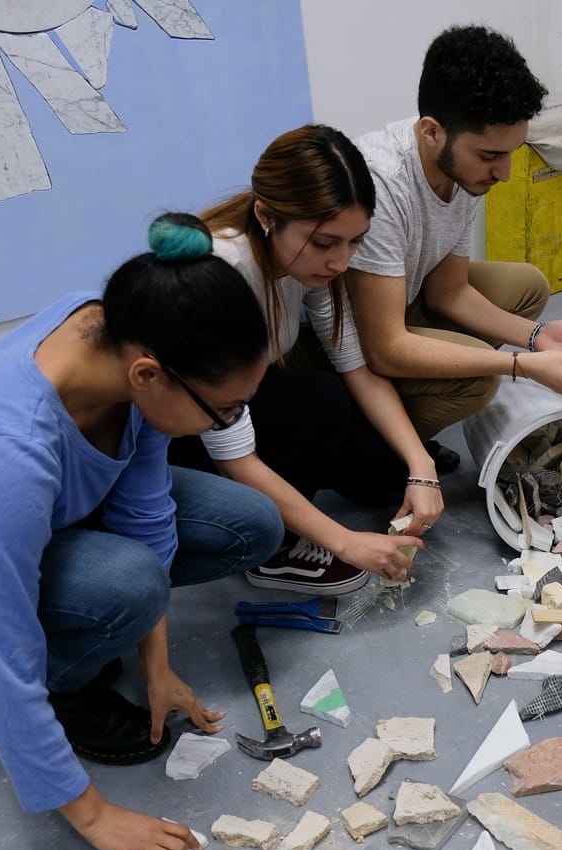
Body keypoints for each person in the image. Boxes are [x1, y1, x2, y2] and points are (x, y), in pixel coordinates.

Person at [0, 215, 282, 850]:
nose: (228, 425)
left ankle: (92, 617)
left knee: (249, 524)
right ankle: (68, 683)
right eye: (223, 410)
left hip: (44, 512)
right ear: (148, 374)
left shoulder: (125, 334)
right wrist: (95, 814)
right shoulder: (6, 451)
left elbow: (148, 515)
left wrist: (157, 667)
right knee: (126, 586)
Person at [168, 125, 433, 596]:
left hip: (243, 408)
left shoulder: (308, 267)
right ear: (267, 216)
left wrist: (421, 466)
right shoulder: (221, 273)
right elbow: (234, 456)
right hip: (184, 441)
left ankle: (303, 506)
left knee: (386, 473)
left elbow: (356, 365)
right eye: (327, 243)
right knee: (321, 397)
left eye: (355, 242)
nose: (342, 262)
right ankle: (277, 549)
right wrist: (344, 541)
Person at [346, 24, 562, 460]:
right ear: (431, 132)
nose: (503, 173)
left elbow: (450, 292)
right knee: (482, 378)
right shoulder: (381, 184)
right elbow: (384, 348)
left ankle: (419, 404)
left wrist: (539, 336)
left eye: (510, 153)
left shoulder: (460, 171)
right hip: (353, 341)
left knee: (527, 286)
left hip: (403, 298)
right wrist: (519, 365)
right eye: (490, 156)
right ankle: (371, 455)